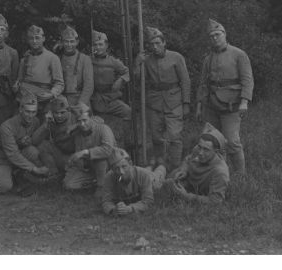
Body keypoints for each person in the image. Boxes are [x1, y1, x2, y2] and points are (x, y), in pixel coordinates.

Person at [195, 19, 254, 175]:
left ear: (224, 34)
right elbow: (203, 84)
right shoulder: (208, 59)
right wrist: (200, 106)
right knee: (213, 141)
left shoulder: (239, 54)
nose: (215, 38)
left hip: (232, 106)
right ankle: (220, 173)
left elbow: (247, 80)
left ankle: (241, 176)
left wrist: (244, 102)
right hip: (211, 106)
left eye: (217, 34)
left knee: (232, 142)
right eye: (211, 35)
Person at [135, 26, 190, 170]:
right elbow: (138, 80)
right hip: (154, 103)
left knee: (174, 136)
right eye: (152, 44)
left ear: (164, 43)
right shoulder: (146, 60)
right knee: (156, 137)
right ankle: (161, 164)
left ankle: (175, 166)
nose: (155, 47)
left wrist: (186, 103)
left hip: (174, 102)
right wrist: (137, 63)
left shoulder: (176, 57)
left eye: (158, 43)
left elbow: (185, 81)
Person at [0, 93, 50, 195]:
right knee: (4, 187)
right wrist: (35, 169)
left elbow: (34, 142)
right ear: (20, 110)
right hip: (0, 159)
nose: (30, 115)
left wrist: (45, 126)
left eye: (33, 112)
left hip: (17, 155)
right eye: (27, 111)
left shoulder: (35, 121)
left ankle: (18, 173)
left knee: (33, 151)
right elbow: (12, 154)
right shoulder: (7, 127)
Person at [166, 124, 230, 204]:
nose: (200, 153)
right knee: (164, 184)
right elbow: (188, 159)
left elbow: (215, 201)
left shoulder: (220, 172)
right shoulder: (198, 149)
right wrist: (184, 170)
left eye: (206, 150)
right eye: (200, 147)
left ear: (216, 152)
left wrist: (185, 196)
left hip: (193, 192)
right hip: (187, 182)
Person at [63, 103, 116, 198]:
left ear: (91, 118)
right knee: (69, 185)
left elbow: (107, 150)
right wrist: (73, 161)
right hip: (90, 167)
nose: (82, 124)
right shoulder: (78, 134)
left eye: (85, 120)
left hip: (109, 164)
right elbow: (78, 151)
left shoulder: (103, 128)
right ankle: (97, 181)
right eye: (79, 121)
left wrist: (85, 152)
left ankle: (102, 185)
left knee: (100, 159)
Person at [15, 25, 64, 119]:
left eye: (37, 38)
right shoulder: (25, 58)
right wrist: (17, 86)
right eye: (31, 38)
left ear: (43, 38)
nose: (34, 41)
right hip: (26, 101)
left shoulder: (52, 58)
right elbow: (20, 80)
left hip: (44, 102)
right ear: (28, 40)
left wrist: (51, 93)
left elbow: (59, 83)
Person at [101, 148, 166, 216]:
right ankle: (151, 164)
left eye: (124, 166)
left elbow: (148, 201)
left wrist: (130, 209)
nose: (121, 172)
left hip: (152, 180)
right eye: (116, 168)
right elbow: (106, 201)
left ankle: (161, 164)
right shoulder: (108, 177)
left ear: (130, 163)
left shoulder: (143, 175)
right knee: (148, 168)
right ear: (112, 170)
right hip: (140, 171)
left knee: (159, 172)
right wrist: (113, 210)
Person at [32, 95, 78, 177]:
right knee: (43, 145)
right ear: (52, 112)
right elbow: (34, 141)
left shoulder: (76, 117)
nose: (59, 116)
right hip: (61, 154)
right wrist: (45, 124)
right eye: (56, 113)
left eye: (62, 112)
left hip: (75, 156)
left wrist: (78, 125)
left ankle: (73, 171)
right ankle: (53, 174)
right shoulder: (51, 121)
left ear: (68, 110)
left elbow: (97, 122)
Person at [90, 30, 131, 120]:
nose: (98, 47)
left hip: (110, 98)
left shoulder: (113, 62)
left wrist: (121, 80)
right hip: (93, 98)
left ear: (106, 46)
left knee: (127, 111)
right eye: (95, 45)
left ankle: (124, 132)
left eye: (100, 44)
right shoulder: (88, 61)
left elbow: (128, 72)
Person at [60, 25, 94, 107]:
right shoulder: (57, 59)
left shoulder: (85, 59)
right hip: (62, 100)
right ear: (62, 42)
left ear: (77, 42)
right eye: (66, 41)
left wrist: (81, 103)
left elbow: (89, 85)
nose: (69, 44)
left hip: (80, 98)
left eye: (72, 41)